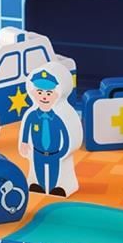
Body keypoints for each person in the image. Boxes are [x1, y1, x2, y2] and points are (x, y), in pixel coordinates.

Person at [19, 63, 82, 197]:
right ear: (33, 92)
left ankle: (55, 188)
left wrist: (64, 151)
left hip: (55, 153)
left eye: (49, 93)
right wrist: (23, 143)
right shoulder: (31, 115)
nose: (44, 97)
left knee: (55, 171)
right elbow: (26, 129)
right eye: (39, 92)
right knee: (38, 169)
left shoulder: (60, 116)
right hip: (37, 152)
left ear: (57, 94)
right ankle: (39, 186)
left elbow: (66, 135)